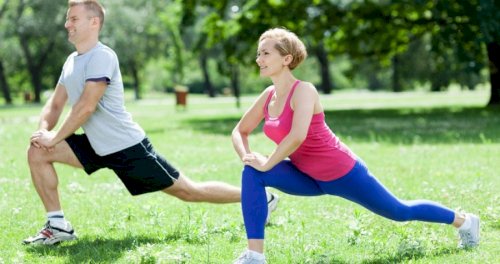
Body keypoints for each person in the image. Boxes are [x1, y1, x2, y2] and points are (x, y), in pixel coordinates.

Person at [23, 0, 279, 246]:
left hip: (126, 147)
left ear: (93, 22)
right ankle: (57, 226)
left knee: (188, 191)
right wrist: (43, 131)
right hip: (95, 144)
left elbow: (86, 107)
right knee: (37, 151)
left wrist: (55, 138)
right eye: (67, 19)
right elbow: (56, 104)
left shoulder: (102, 56)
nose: (67, 24)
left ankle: (260, 198)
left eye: (73, 19)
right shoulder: (71, 61)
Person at [231, 28, 480, 264]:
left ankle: (465, 221)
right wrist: (248, 158)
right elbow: (239, 131)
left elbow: (297, 135)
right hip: (306, 175)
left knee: (399, 211)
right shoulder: (267, 96)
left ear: (286, 58)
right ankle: (255, 256)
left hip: (342, 172)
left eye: (265, 53)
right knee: (252, 172)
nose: (259, 59)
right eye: (258, 53)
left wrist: (267, 162)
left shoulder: (304, 91)